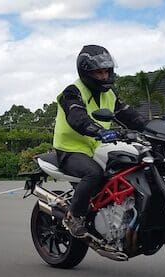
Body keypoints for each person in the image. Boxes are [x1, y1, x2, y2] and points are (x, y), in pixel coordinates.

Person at [53, 44, 148, 238]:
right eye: (99, 73)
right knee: (92, 174)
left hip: (98, 147)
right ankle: (74, 216)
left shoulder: (109, 94)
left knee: (131, 165)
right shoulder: (72, 92)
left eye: (106, 71)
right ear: (86, 72)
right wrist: (97, 130)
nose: (104, 77)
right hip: (71, 149)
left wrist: (151, 127)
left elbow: (129, 115)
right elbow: (76, 117)